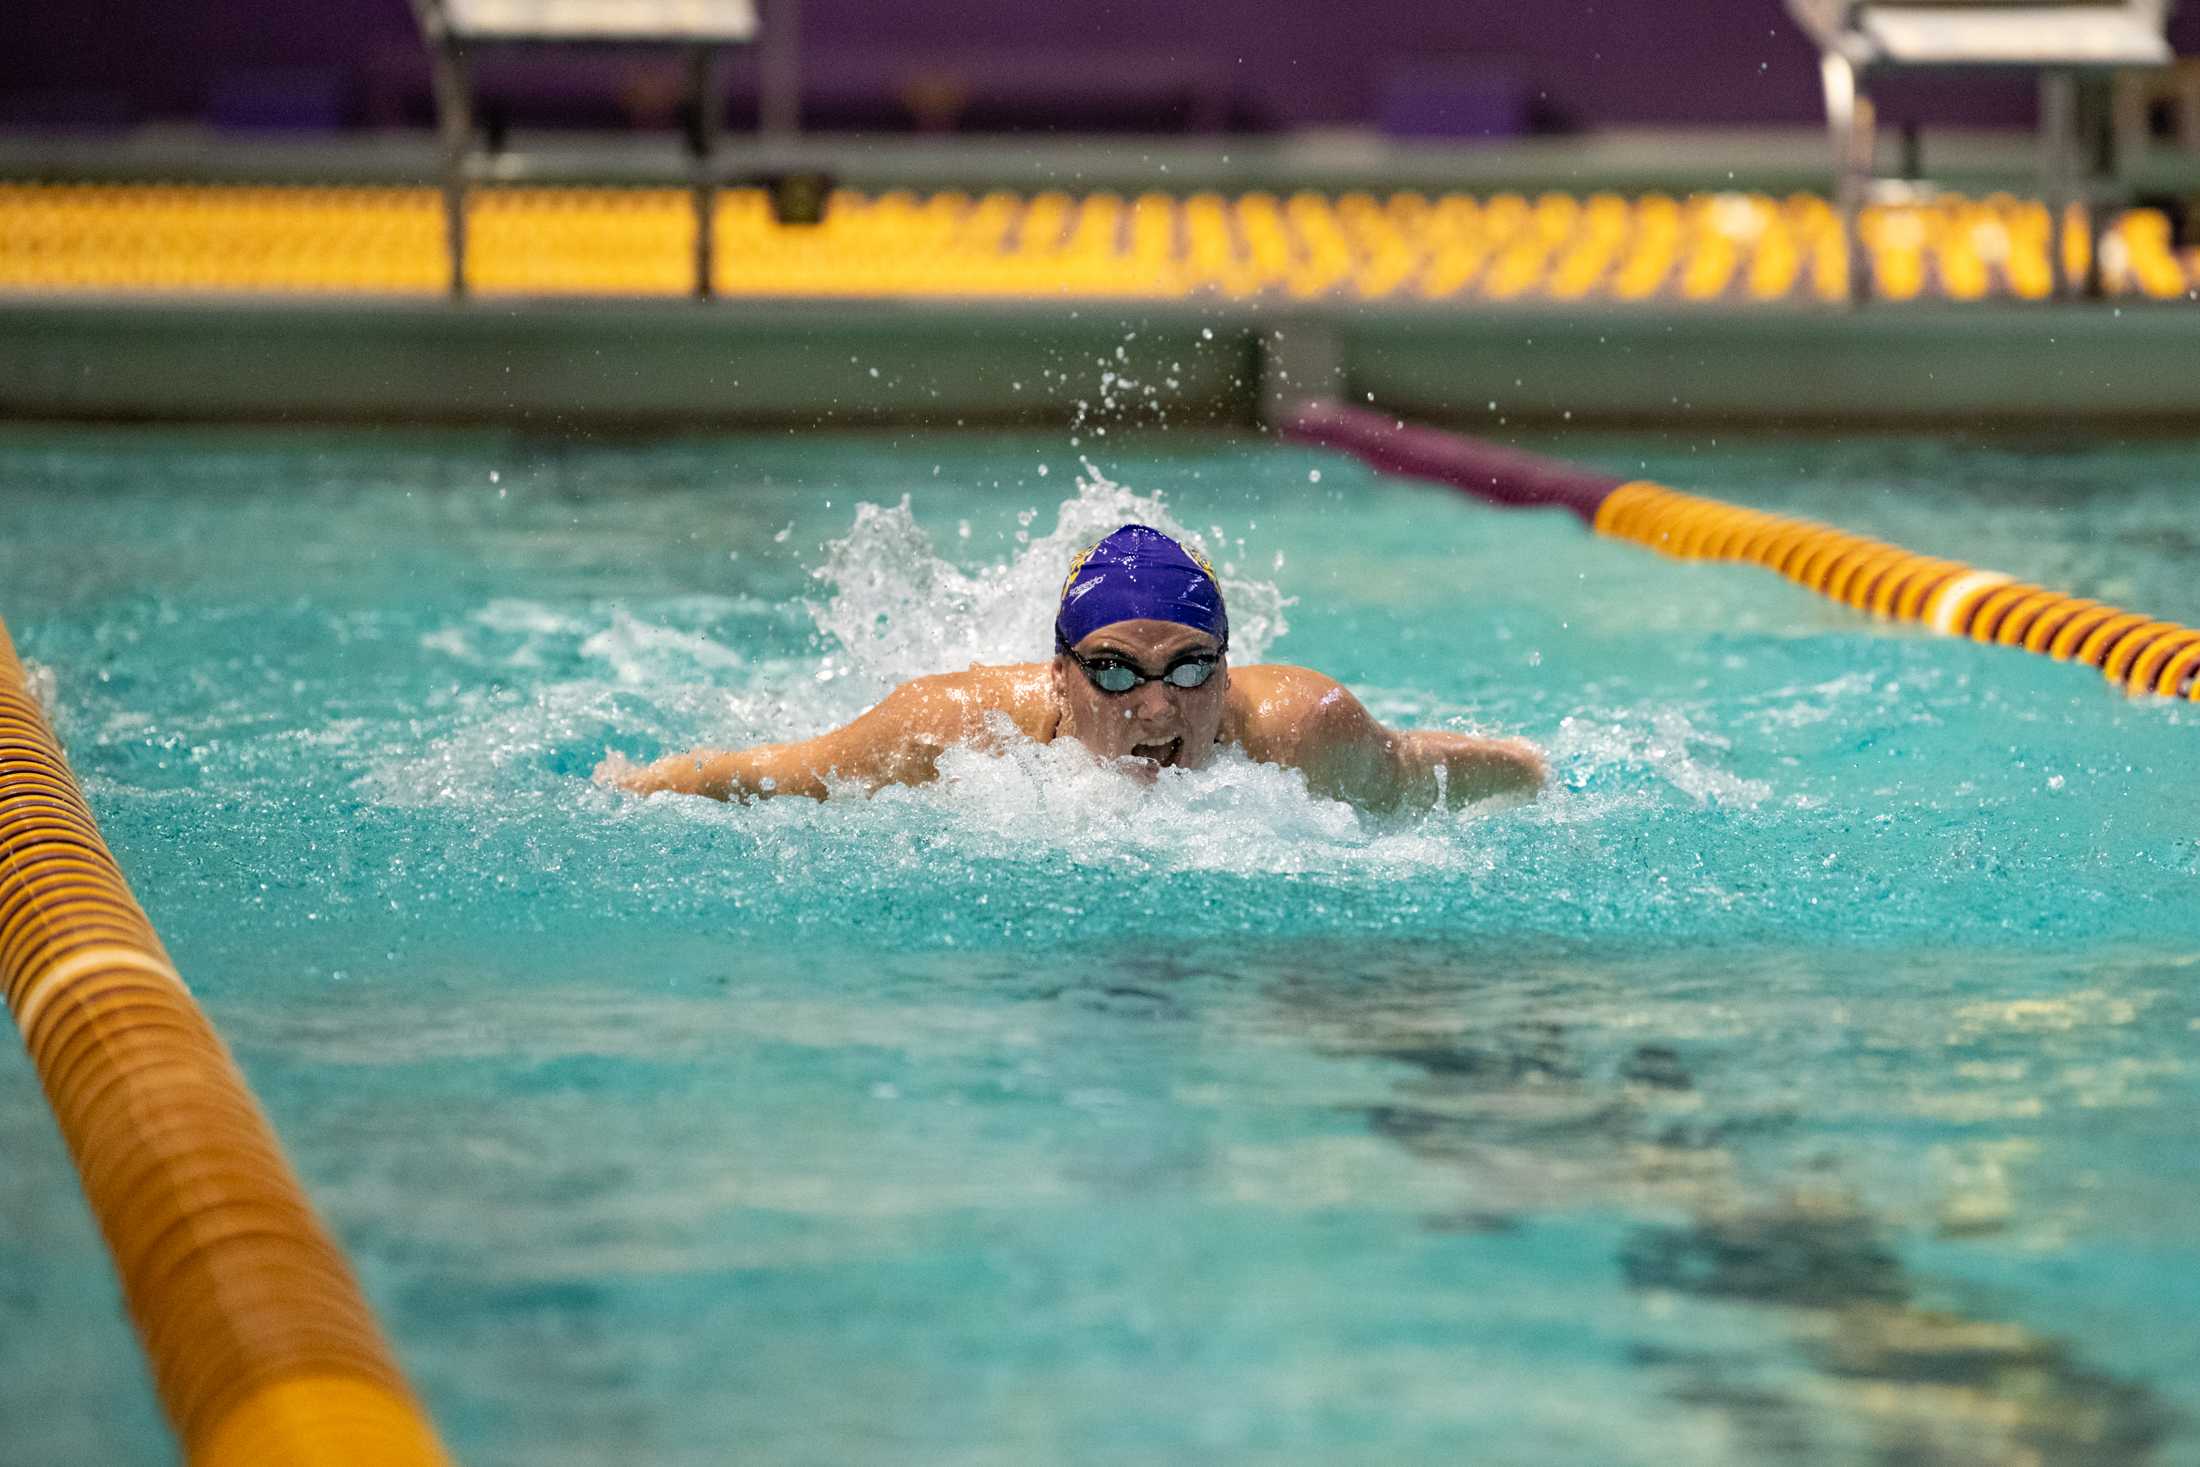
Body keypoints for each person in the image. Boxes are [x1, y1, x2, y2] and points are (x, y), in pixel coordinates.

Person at [596, 523, 1544, 811]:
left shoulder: (1301, 728)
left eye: (1189, 669)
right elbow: (790, 772)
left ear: (1227, 672)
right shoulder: (955, 727)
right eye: (1117, 674)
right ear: (1059, 677)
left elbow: (1417, 769)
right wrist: (646, 784)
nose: (1157, 705)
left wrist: (1536, 770)